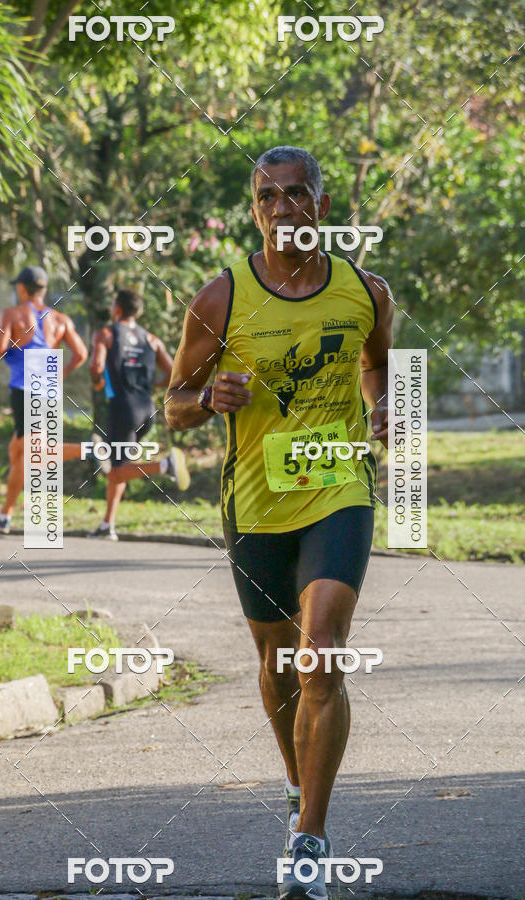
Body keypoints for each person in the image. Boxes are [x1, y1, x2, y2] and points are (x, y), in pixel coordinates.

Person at [164, 146, 393, 899]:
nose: (284, 208)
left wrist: (384, 404)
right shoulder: (220, 299)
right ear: (254, 209)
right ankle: (299, 789)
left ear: (321, 205)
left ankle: (311, 840)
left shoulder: (367, 292)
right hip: (255, 501)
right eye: (269, 197)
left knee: (320, 651)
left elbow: (375, 365)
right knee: (277, 663)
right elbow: (173, 405)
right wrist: (208, 401)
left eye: (298, 195)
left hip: (338, 489)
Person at [0, 265, 89, 534]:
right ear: (42, 289)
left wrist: (15, 350)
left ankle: (91, 450)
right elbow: (81, 353)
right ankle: (5, 515)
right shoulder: (61, 319)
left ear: (21, 288)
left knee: (33, 451)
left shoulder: (13, 313)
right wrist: (59, 374)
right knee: (17, 451)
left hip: (24, 388)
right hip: (48, 386)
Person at [87, 288, 190, 541]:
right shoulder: (151, 339)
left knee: (113, 471)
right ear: (138, 311)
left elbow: (96, 366)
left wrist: (98, 382)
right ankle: (107, 525)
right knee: (121, 466)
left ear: (118, 309)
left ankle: (165, 465)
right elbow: (173, 371)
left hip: (122, 409)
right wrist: (151, 385)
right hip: (146, 409)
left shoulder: (106, 334)